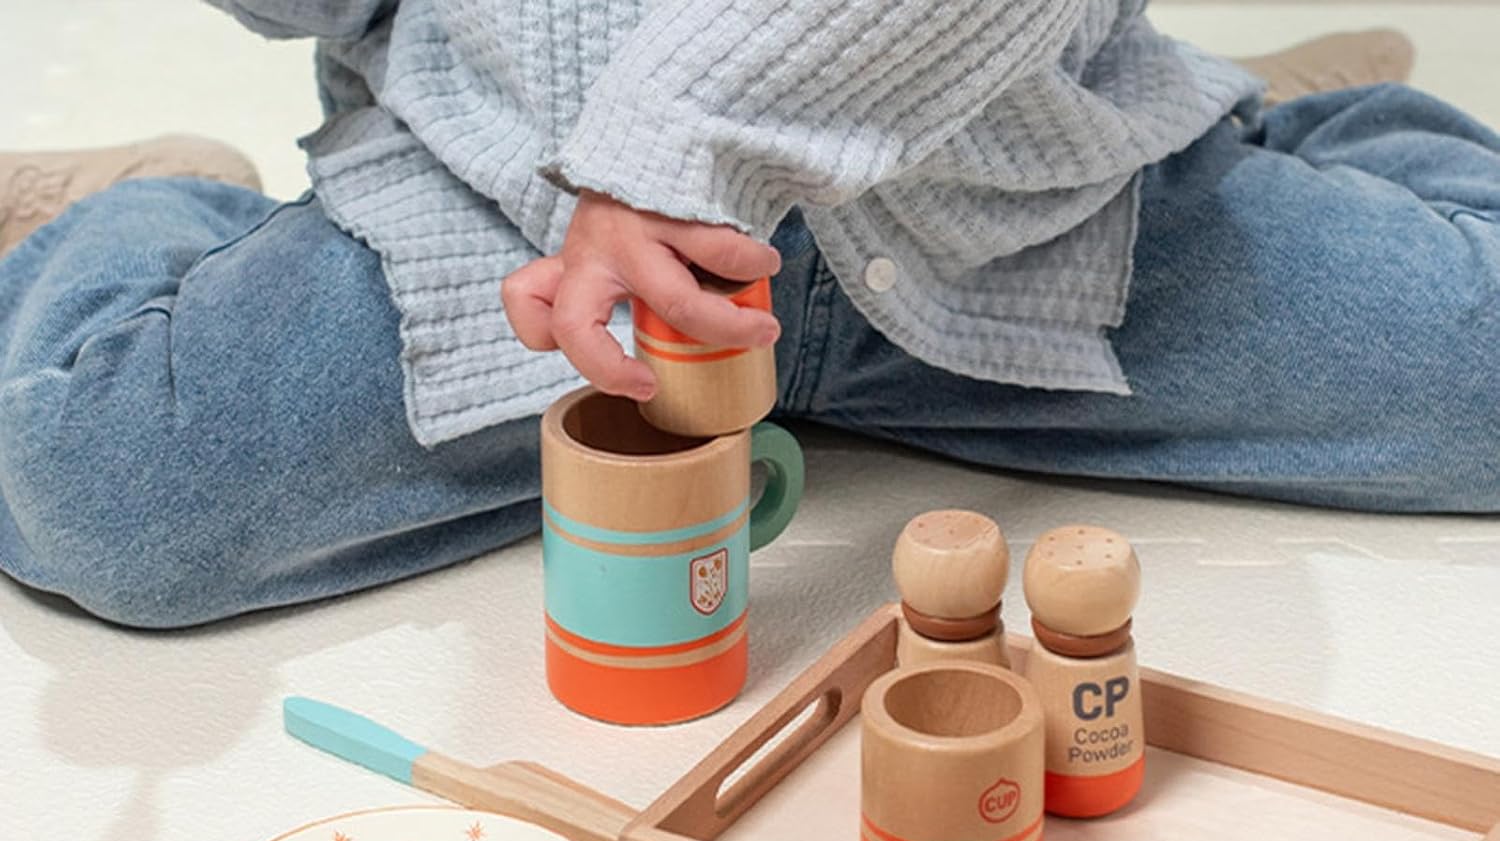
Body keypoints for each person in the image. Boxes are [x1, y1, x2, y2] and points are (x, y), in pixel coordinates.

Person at [0, 5, 1492, 630]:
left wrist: (685, 149)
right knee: (113, 509)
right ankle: (157, 208)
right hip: (513, 214)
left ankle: (1283, 124)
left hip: (1011, 191)